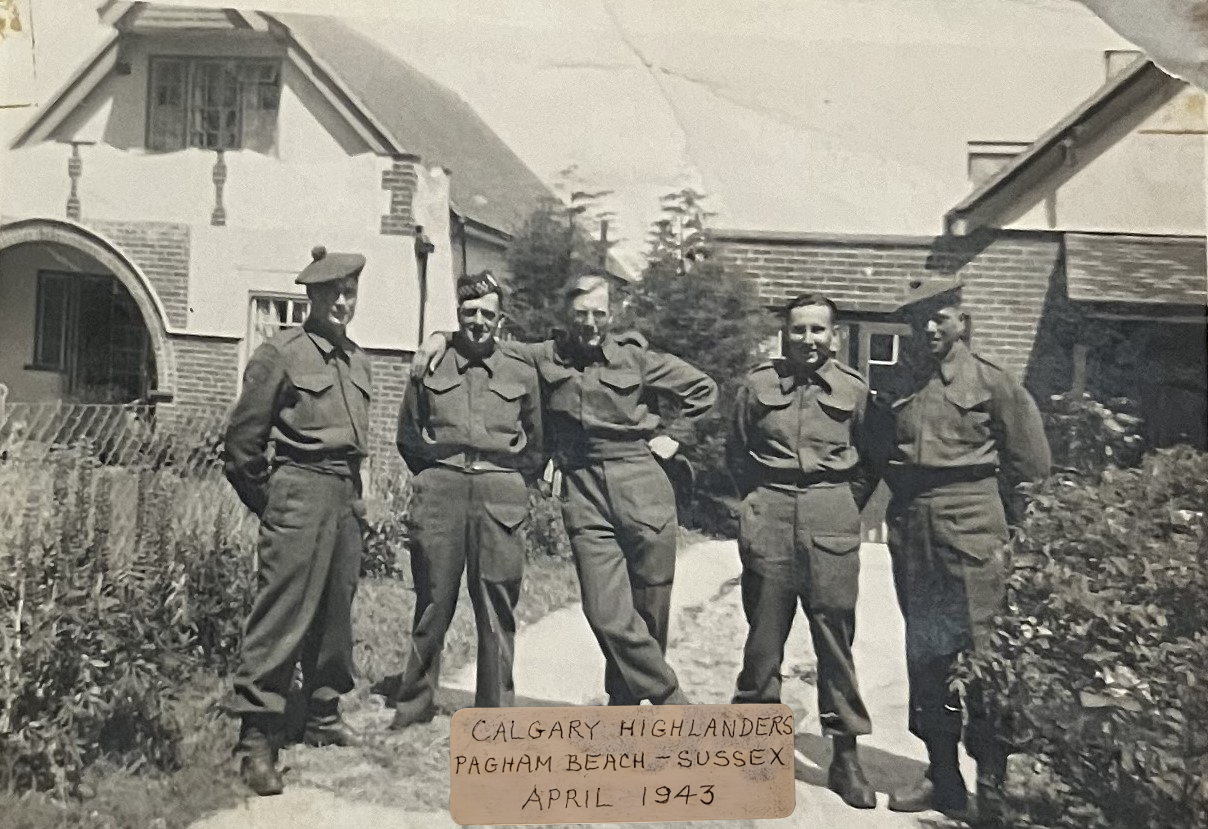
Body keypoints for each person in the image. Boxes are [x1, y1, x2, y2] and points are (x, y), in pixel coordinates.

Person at [411, 268, 718, 706]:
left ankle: (625, 707)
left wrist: (674, 436)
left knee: (650, 608)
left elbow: (703, 390)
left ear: (614, 313)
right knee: (605, 610)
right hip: (585, 484)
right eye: (580, 314)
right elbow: (485, 338)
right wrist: (439, 336)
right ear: (566, 314)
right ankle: (673, 701)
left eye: (599, 313)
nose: (590, 323)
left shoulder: (637, 357)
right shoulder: (543, 355)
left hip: (642, 479)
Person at [876, 295, 1051, 821]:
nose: (928, 327)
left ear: (962, 321)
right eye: (917, 318)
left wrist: (1019, 541)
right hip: (915, 524)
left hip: (975, 521)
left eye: (939, 317)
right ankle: (943, 780)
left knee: (981, 658)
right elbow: (878, 450)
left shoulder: (993, 382)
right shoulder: (899, 383)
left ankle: (992, 788)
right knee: (928, 656)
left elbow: (1034, 466)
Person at [222, 245, 372, 796]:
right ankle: (258, 738)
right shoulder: (281, 353)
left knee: (337, 612)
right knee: (281, 615)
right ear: (310, 297)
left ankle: (322, 714)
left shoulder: (359, 359)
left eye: (349, 293)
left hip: (344, 496)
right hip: (298, 491)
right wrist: (275, 505)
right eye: (332, 293)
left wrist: (355, 500)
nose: (341, 303)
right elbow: (241, 446)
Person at [726, 293, 879, 810]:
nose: (808, 341)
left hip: (830, 512)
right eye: (798, 330)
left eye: (818, 331)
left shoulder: (854, 391)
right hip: (770, 508)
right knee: (764, 637)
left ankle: (846, 756)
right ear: (783, 335)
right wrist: (754, 504)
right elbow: (736, 449)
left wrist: (840, 503)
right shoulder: (758, 386)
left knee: (834, 638)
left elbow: (871, 458)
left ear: (832, 336)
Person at [388, 271, 543, 729]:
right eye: (469, 313)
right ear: (457, 316)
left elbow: (536, 444)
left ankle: (495, 714)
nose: (477, 322)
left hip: (499, 492)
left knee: (496, 603)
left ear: (501, 320)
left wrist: (507, 480)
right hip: (442, 490)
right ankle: (414, 704)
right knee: (434, 598)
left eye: (487, 314)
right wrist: (438, 473)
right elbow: (408, 434)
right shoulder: (431, 363)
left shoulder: (520, 371)